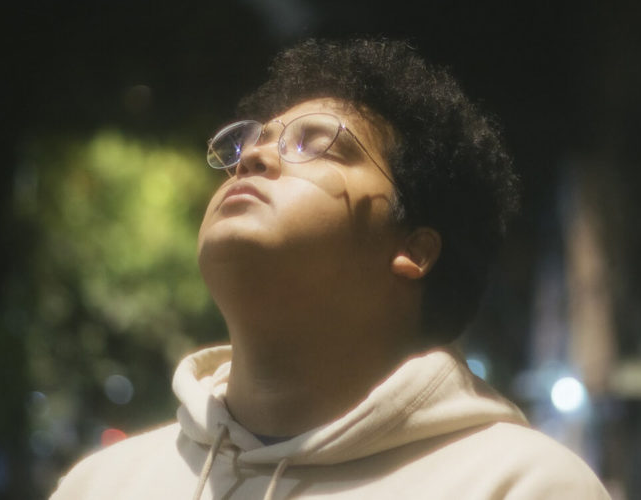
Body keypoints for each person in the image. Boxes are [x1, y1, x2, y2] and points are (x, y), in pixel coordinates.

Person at [50, 38, 610, 499]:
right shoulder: (102, 485)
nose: (252, 157)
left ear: (413, 251)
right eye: (248, 144)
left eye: (315, 145)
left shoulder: (521, 484)